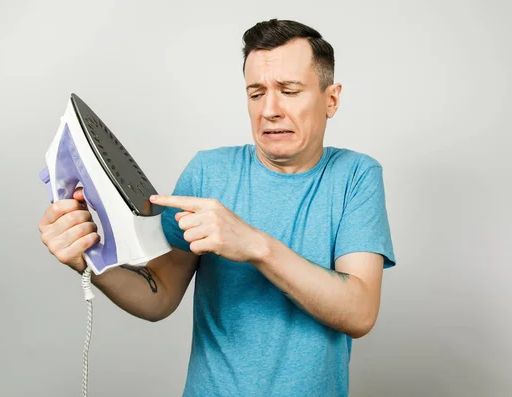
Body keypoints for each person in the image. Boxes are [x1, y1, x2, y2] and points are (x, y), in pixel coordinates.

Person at [38, 19, 396, 397]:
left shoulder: (357, 175)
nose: (270, 110)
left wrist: (255, 246)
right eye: (256, 93)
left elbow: (359, 312)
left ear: (331, 99)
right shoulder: (209, 172)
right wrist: (90, 259)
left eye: (289, 91)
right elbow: (159, 294)